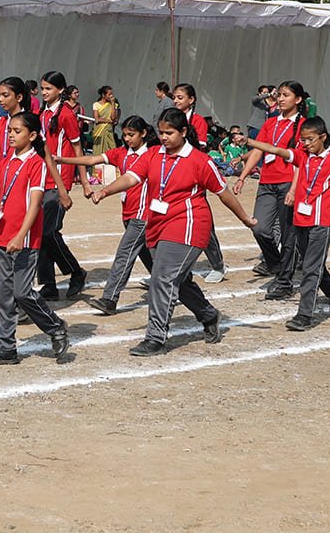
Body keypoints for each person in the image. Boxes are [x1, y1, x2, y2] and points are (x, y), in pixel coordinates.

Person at [91, 107, 256, 356]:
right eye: (161, 132)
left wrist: (245, 219)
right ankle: (208, 314)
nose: (164, 137)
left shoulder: (200, 161)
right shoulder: (154, 154)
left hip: (188, 225)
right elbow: (131, 178)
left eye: (169, 133)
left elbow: (223, 193)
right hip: (158, 224)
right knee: (176, 279)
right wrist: (105, 191)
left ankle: (155, 337)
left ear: (184, 132)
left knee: (162, 278)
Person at [250, 116, 330, 329]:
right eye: (303, 140)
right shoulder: (303, 156)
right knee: (314, 263)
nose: (306, 143)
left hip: (322, 222)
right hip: (300, 220)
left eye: (310, 139)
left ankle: (304, 315)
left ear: (323, 137)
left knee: (310, 268)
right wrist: (248, 141)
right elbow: (276, 150)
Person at [0, 111, 72, 365]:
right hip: (3, 238)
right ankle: (6, 348)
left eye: (17, 131)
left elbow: (35, 204)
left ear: (32, 136)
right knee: (2, 296)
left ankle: (55, 327)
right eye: (9, 130)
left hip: (25, 241)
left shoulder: (36, 163)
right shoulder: (6, 162)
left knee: (21, 293)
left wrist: (21, 235)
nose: (10, 135)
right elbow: (0, 200)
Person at [56, 115, 158, 316]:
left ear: (144, 134)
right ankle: (176, 287)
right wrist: (61, 159)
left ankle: (110, 298)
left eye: (131, 135)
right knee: (147, 255)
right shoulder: (122, 153)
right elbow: (92, 159)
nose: (127, 139)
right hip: (128, 214)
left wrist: (103, 192)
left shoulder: (153, 153)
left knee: (124, 254)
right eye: (125, 135)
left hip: (143, 215)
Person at [235, 80, 308, 295]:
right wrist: (242, 177)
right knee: (259, 228)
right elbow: (258, 151)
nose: (281, 99)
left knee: (288, 235)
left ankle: (284, 281)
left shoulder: (304, 125)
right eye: (280, 95)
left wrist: (294, 189)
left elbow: (301, 161)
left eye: (286, 95)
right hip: (267, 182)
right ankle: (277, 265)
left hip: (288, 183)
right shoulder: (270, 123)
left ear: (298, 99)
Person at [35, 72, 86, 298]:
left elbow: (77, 148)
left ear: (60, 90)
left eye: (48, 88)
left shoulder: (66, 114)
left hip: (59, 181)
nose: (44, 92)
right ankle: (48, 285)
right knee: (40, 232)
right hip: (41, 179)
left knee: (49, 232)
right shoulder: (42, 113)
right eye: (42, 88)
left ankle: (75, 271)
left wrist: (84, 182)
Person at [172, 82, 227, 281]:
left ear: (191, 100)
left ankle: (218, 265)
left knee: (201, 221)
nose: (176, 101)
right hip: (172, 174)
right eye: (174, 97)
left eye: (180, 97)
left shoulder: (197, 121)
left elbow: (199, 148)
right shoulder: (171, 117)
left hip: (193, 174)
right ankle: (170, 267)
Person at [91, 86, 120, 155]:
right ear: (103, 95)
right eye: (109, 94)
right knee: (98, 150)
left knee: (111, 149)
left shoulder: (114, 105)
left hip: (109, 130)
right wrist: (107, 120)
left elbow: (113, 118)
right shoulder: (96, 104)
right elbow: (97, 119)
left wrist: (113, 104)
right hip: (99, 131)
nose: (111, 96)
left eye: (111, 94)